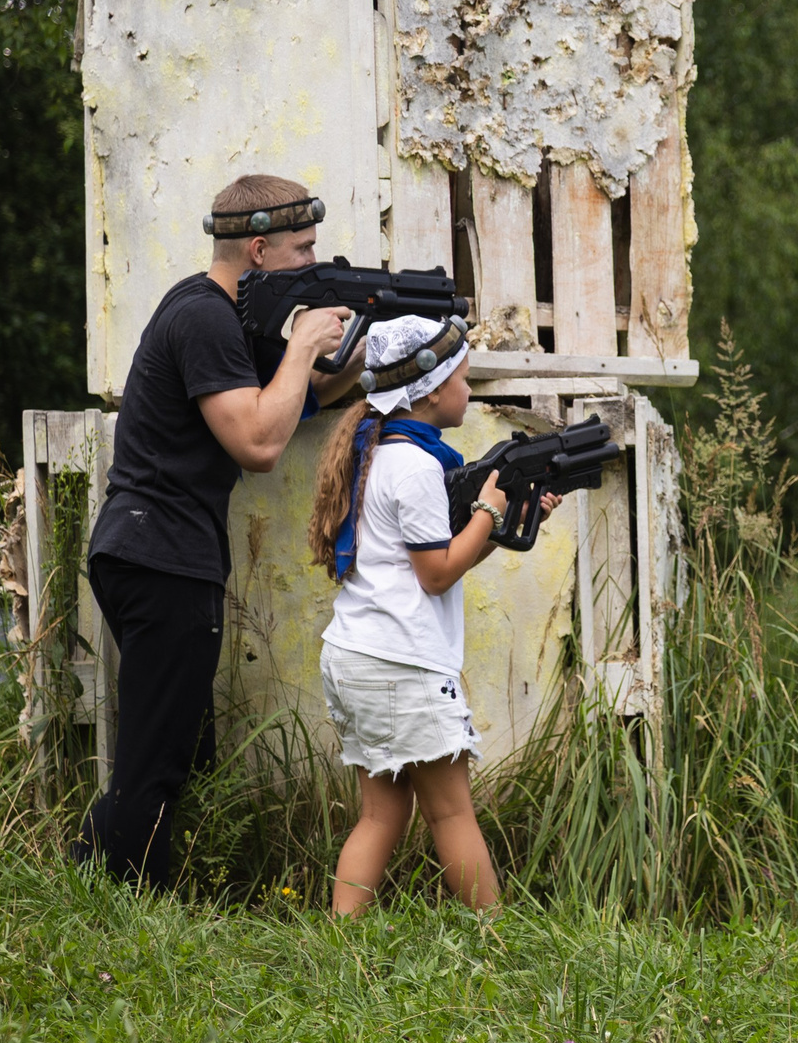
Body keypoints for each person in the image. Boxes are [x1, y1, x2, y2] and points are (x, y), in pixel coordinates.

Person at [75, 173, 358, 888]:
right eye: (303, 250)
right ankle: (130, 909)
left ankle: (91, 879)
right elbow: (259, 442)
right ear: (258, 250)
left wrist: (363, 347)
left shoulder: (226, 319)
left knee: (175, 749)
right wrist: (300, 348)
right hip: (159, 552)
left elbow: (300, 399)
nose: (312, 264)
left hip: (162, 551)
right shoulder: (203, 316)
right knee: (156, 759)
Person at [306, 313, 558, 915]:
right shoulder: (417, 468)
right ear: (433, 388)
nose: (470, 391)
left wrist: (506, 524)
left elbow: (441, 556)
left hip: (357, 656)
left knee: (381, 812)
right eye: (465, 379)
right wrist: (488, 514)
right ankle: (495, 938)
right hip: (401, 664)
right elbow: (437, 572)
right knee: (450, 810)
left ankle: (340, 946)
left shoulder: (380, 453)